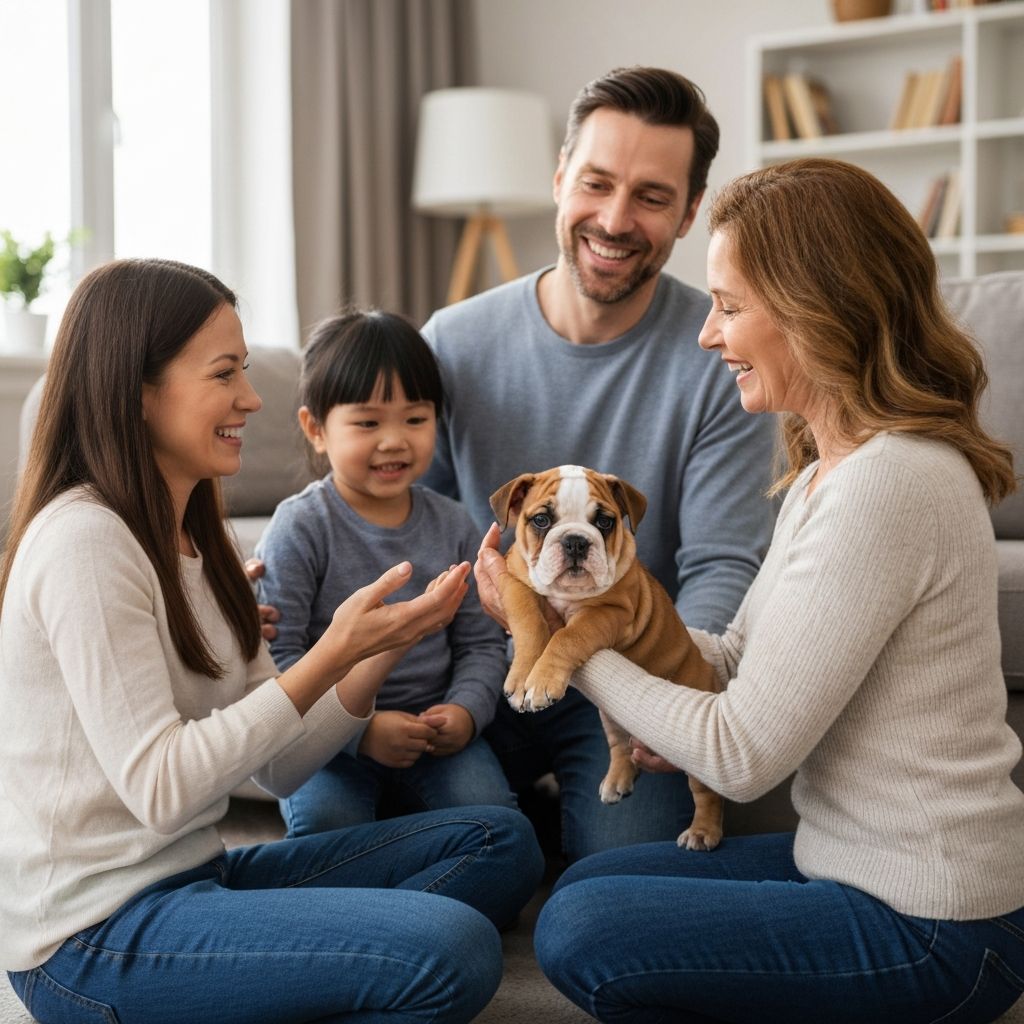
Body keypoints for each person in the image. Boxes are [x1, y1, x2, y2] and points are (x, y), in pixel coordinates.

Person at [479, 158, 1024, 1022]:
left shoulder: (892, 484)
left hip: (938, 918)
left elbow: (741, 754)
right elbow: (733, 660)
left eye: (729, 307)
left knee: (584, 927)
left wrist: (563, 641)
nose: (706, 334)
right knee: (591, 882)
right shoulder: (823, 475)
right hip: (839, 858)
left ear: (819, 310)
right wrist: (623, 616)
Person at [0, 259, 543, 1024]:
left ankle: (296, 969)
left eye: (246, 372)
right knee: (451, 947)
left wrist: (385, 640)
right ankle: (323, 965)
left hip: (193, 877)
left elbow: (286, 768)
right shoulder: (86, 542)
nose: (252, 399)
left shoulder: (198, 536)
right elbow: (161, 789)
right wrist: (330, 653)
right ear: (138, 392)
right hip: (92, 937)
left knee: (500, 838)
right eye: (225, 374)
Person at [419, 66, 778, 863]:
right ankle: (532, 825)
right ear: (557, 180)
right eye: (596, 183)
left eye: (651, 197)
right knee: (459, 846)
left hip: (627, 671)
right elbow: (410, 520)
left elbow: (722, 564)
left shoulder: (723, 353)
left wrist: (674, 706)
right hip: (486, 668)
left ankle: (567, 826)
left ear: (689, 214)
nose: (615, 220)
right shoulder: (453, 341)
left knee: (627, 872)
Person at [255, 309, 515, 836]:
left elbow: (482, 645)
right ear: (316, 429)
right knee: (330, 828)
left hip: (433, 729)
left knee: (496, 823)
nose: (394, 440)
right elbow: (278, 659)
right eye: (368, 422)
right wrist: (360, 733)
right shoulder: (300, 526)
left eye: (415, 419)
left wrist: (464, 713)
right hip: (326, 743)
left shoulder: (454, 523)